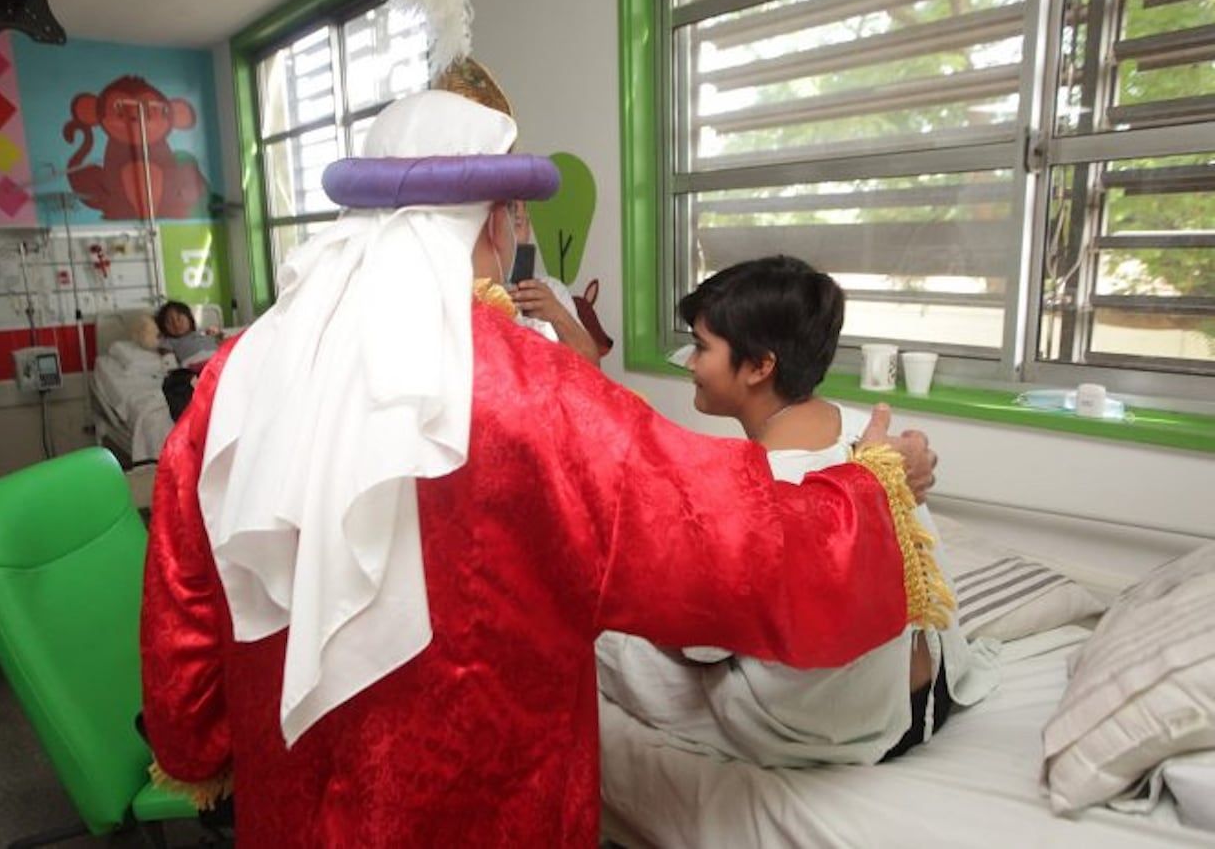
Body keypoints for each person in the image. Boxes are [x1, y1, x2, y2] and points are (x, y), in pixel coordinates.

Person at [139, 86, 942, 846]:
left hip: (294, 773)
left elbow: (185, 579)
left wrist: (194, 732)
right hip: (481, 793)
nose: (519, 235)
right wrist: (873, 484)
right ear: (492, 221)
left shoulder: (239, 369)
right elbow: (717, 536)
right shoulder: (528, 390)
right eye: (514, 216)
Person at [597, 255, 999, 768]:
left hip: (851, 724)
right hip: (932, 691)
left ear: (761, 366)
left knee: (601, 633)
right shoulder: (871, 439)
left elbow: (701, 645)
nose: (689, 363)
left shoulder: (761, 490)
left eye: (701, 347)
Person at [504, 200, 601, 365]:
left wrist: (556, 314)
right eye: (506, 222)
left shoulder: (552, 290)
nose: (511, 237)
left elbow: (593, 366)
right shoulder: (466, 291)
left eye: (520, 221)